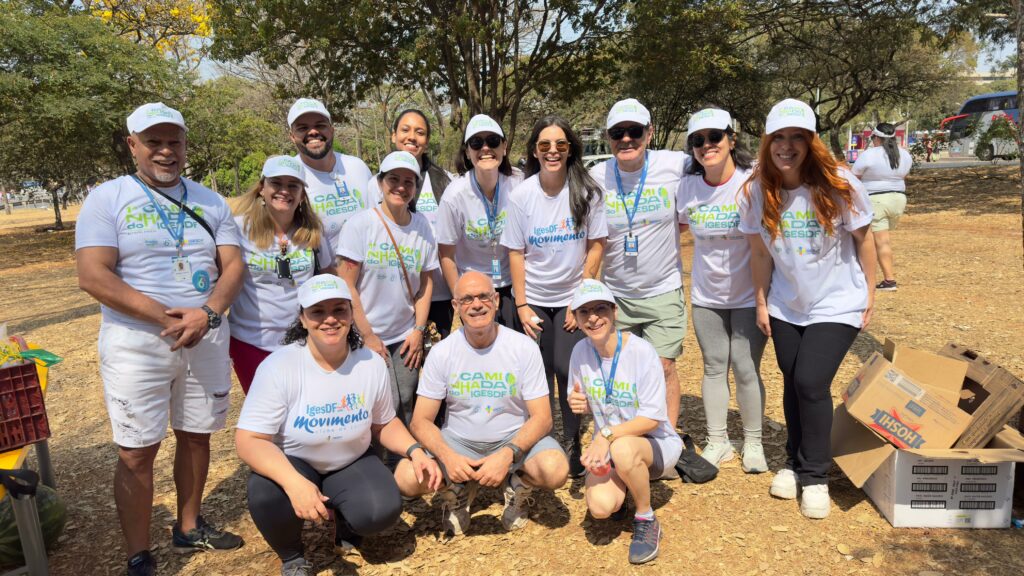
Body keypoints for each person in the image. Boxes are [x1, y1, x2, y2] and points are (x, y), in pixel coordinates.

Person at [75, 103, 245, 576]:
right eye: (154, 141)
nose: (166, 151)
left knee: (196, 435)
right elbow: (93, 275)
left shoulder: (210, 201)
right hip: (137, 342)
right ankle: (138, 553)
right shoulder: (107, 198)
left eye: (175, 141)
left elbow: (233, 266)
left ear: (186, 145)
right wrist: (168, 317)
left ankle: (188, 527)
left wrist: (206, 313)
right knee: (135, 450)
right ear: (133, 145)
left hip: (205, 336)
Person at [236, 274, 442, 576]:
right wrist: (294, 483)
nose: (330, 319)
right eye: (318, 312)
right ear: (302, 319)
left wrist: (415, 449)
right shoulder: (279, 366)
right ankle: (292, 556)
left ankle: (347, 526)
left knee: (381, 510)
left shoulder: (370, 363)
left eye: (339, 310)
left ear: (350, 314)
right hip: (296, 462)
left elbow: (384, 422)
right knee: (266, 492)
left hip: (349, 460)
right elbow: (249, 440)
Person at [739, 98, 876, 519]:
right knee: (793, 379)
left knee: (812, 382)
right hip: (785, 303)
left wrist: (869, 294)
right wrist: (762, 301)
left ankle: (815, 475)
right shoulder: (757, 189)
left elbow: (864, 240)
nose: (786, 146)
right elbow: (760, 255)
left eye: (797, 137)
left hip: (837, 302)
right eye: (778, 137)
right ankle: (794, 463)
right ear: (766, 143)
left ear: (811, 142)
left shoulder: (840, 183)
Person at [398, 271, 568, 536]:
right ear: (455, 307)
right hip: (459, 441)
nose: (476, 304)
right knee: (407, 478)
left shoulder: (523, 347)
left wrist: (507, 453)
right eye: (466, 299)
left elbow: (543, 417)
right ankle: (456, 490)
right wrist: (448, 456)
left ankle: (517, 483)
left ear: (496, 300)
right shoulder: (443, 352)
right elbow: (420, 421)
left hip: (511, 437)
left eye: (483, 297)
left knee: (555, 469)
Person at [501, 115, 608, 478]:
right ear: (534, 151)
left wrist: (579, 298)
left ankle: (573, 440)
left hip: (570, 299)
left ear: (570, 149)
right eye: (545, 145)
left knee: (569, 370)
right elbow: (515, 252)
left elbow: (596, 245)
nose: (552, 152)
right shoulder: (522, 195)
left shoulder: (587, 192)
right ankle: (541, 442)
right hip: (533, 301)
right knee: (538, 374)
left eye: (560, 145)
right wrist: (521, 304)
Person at [589, 98, 688, 444]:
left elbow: (718, 167)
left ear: (650, 132)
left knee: (663, 368)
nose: (626, 139)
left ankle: (668, 442)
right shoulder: (596, 176)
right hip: (616, 295)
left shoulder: (676, 165)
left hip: (662, 289)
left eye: (634, 131)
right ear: (608, 137)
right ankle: (625, 436)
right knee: (622, 371)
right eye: (618, 133)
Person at [676, 107, 768, 472]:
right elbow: (678, 228)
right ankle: (718, 441)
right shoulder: (687, 187)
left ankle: (754, 442)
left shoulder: (753, 181)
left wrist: (763, 297)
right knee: (714, 366)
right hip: (706, 297)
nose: (706, 145)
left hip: (749, 296)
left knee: (746, 367)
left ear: (731, 139)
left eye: (714, 137)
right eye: (698, 140)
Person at [567, 280, 683, 565]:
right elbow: (579, 397)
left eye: (600, 309)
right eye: (584, 312)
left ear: (615, 311)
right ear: (577, 319)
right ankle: (627, 486)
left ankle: (645, 517)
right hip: (610, 444)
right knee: (600, 508)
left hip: (655, 444)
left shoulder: (641, 352)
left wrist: (605, 434)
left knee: (622, 450)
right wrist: (576, 403)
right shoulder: (580, 352)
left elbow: (653, 418)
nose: (593, 317)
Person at [338, 151, 439, 426]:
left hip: (405, 335)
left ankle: (401, 465)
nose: (401, 187)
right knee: (378, 405)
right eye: (393, 179)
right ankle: (377, 464)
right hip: (365, 335)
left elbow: (426, 284)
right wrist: (367, 335)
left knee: (406, 399)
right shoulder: (360, 226)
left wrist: (418, 330)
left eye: (409, 181)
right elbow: (347, 285)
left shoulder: (423, 228)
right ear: (381, 183)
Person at [228, 156, 335, 393]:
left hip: (302, 342)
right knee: (265, 416)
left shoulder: (313, 232)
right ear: (262, 188)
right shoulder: (237, 228)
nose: (284, 191)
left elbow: (329, 278)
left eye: (293, 185)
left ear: (302, 195)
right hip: (250, 342)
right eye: (277, 183)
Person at [369, 110, 456, 336]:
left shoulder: (445, 179)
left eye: (420, 132)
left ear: (426, 141)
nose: (412, 137)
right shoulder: (375, 185)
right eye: (405, 130)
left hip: (438, 290)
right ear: (393, 135)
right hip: (395, 293)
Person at [436, 115, 524, 328]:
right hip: (475, 290)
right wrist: (460, 296)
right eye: (476, 143)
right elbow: (446, 254)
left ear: (504, 147)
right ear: (467, 152)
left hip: (513, 285)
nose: (485, 148)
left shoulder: (519, 184)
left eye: (493, 141)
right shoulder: (454, 195)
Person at [287, 98, 377, 255]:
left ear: (332, 129)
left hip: (367, 274)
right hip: (317, 276)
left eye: (320, 125)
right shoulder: (287, 177)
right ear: (292, 136)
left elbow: (378, 221)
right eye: (303, 128)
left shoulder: (358, 167)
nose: (313, 131)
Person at [851, 122, 912, 291]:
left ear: (876, 137)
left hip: (876, 200)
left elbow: (854, 176)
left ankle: (888, 280)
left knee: (878, 241)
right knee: (882, 240)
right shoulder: (905, 155)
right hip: (898, 199)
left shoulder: (869, 155)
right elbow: (904, 175)